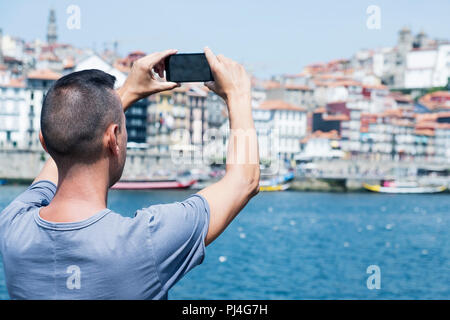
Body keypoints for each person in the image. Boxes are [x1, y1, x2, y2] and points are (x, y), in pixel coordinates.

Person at [0, 48, 260, 299]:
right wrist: (238, 95)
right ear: (114, 138)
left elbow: (64, 145)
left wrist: (125, 94)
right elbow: (244, 180)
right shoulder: (143, 243)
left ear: (44, 144)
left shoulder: (12, 227)